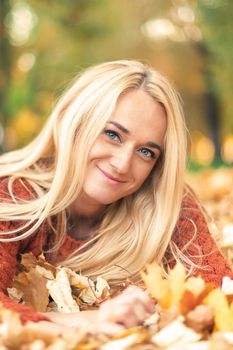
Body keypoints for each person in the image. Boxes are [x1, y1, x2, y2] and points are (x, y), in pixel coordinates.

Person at [0, 60, 233, 334]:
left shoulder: (164, 202)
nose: (123, 164)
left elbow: (221, 295)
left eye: (146, 152)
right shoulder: (12, 194)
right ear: (75, 122)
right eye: (112, 134)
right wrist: (89, 322)